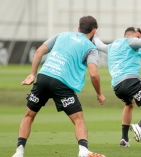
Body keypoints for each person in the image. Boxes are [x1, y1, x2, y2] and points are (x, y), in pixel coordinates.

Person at [12, 16, 106, 157]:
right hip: (62, 83)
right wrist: (99, 93)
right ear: (94, 31)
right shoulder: (91, 48)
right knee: (78, 119)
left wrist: (32, 74)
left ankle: (19, 152)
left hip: (43, 77)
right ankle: (83, 151)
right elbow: (94, 75)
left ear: (78, 28)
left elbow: (38, 52)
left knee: (29, 115)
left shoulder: (62, 35)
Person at [93, 27, 141, 147]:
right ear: (128, 35)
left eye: (139, 37)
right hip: (131, 81)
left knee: (129, 104)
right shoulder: (130, 41)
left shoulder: (111, 46)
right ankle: (139, 126)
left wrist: (95, 34)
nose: (139, 40)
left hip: (118, 86)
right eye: (137, 36)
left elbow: (99, 44)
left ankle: (124, 139)